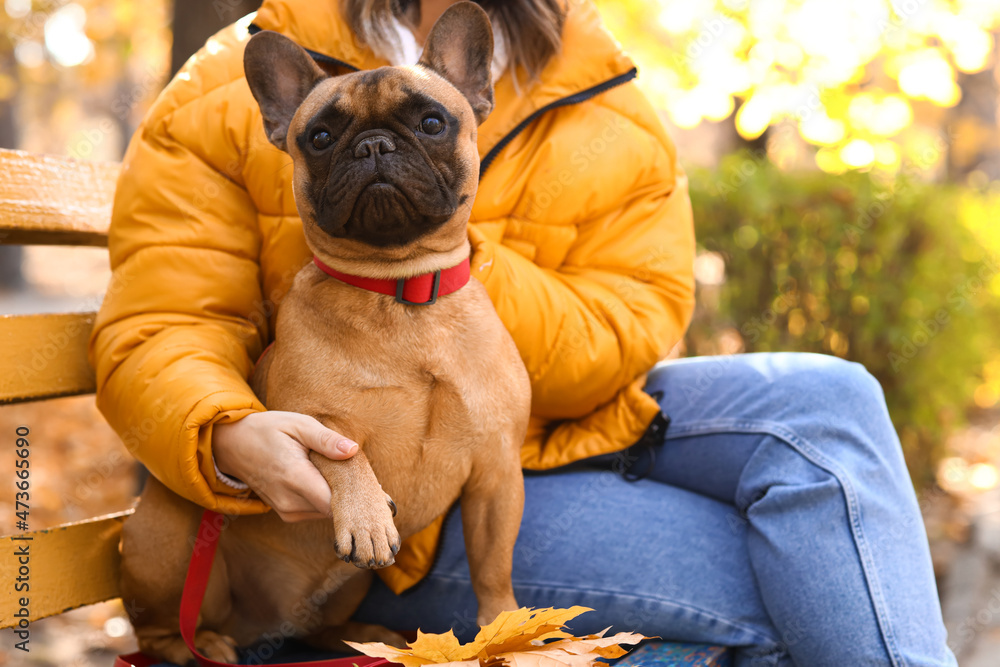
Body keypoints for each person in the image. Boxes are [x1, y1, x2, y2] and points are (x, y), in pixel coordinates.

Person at [87, 0, 957, 664]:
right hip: (395, 529)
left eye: (426, 126)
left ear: (473, 94)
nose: (381, 154)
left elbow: (636, 315)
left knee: (832, 398)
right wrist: (227, 431)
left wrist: (455, 273)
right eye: (340, 141)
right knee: (820, 570)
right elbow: (163, 320)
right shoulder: (222, 82)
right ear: (291, 129)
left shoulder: (602, 81)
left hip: (563, 425)